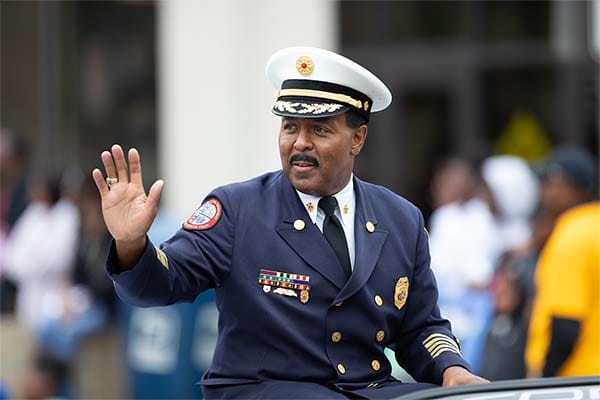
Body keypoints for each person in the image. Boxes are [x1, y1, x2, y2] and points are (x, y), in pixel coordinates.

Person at [93, 47, 487, 399]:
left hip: (367, 390)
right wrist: (132, 244)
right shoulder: (237, 208)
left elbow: (420, 327)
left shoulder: (400, 218)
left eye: (319, 130)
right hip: (264, 389)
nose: (299, 143)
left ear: (358, 139)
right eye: (289, 127)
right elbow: (165, 283)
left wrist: (452, 371)